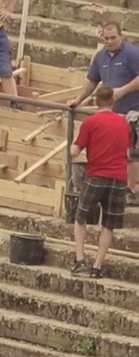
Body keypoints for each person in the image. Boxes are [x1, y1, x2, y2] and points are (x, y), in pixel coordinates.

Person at [69, 86, 133, 279]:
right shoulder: (124, 124)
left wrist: (75, 143)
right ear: (113, 102)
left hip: (96, 174)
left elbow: (74, 151)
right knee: (108, 224)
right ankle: (97, 267)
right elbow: (128, 154)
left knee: (80, 218)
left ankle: (80, 261)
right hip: (118, 178)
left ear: (96, 102)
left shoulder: (90, 122)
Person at [67, 22, 139, 190]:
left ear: (121, 36)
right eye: (106, 38)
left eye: (113, 38)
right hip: (114, 114)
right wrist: (78, 99)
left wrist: (123, 90)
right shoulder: (101, 57)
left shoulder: (132, 54)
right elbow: (92, 80)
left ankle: (131, 189)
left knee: (132, 154)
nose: (109, 41)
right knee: (118, 152)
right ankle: (121, 187)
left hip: (134, 110)